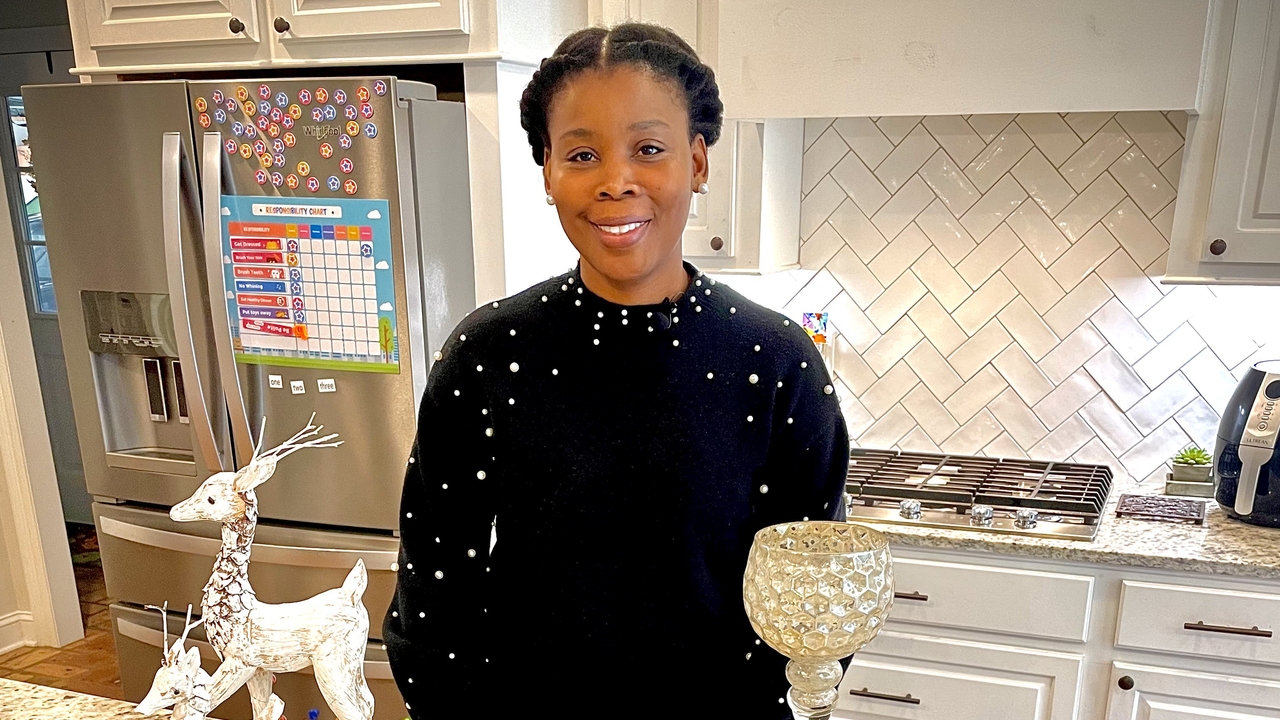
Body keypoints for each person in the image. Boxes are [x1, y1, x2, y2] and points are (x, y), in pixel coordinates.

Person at [384, 22, 850, 718]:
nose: (615, 181)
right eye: (581, 154)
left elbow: (820, 592)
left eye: (649, 149)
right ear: (547, 171)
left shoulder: (774, 361)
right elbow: (435, 594)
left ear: (696, 161)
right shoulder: (486, 358)